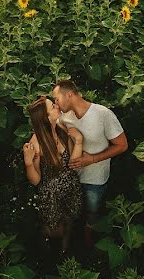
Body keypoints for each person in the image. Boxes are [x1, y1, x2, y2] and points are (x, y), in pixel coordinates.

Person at [52, 79, 129, 247]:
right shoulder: (65, 117)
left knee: (92, 214)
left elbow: (122, 145)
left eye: (57, 98)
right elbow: (50, 127)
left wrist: (92, 159)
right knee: (71, 215)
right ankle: (69, 245)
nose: (55, 103)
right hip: (72, 177)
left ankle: (90, 247)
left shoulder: (102, 114)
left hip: (95, 179)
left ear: (69, 95)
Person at [22, 95, 84, 255]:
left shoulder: (61, 129)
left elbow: (72, 162)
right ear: (45, 118)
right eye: (52, 107)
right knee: (52, 230)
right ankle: (45, 256)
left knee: (69, 224)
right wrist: (29, 163)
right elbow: (35, 181)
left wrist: (78, 141)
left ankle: (66, 252)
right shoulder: (36, 142)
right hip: (51, 195)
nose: (57, 106)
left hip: (70, 188)